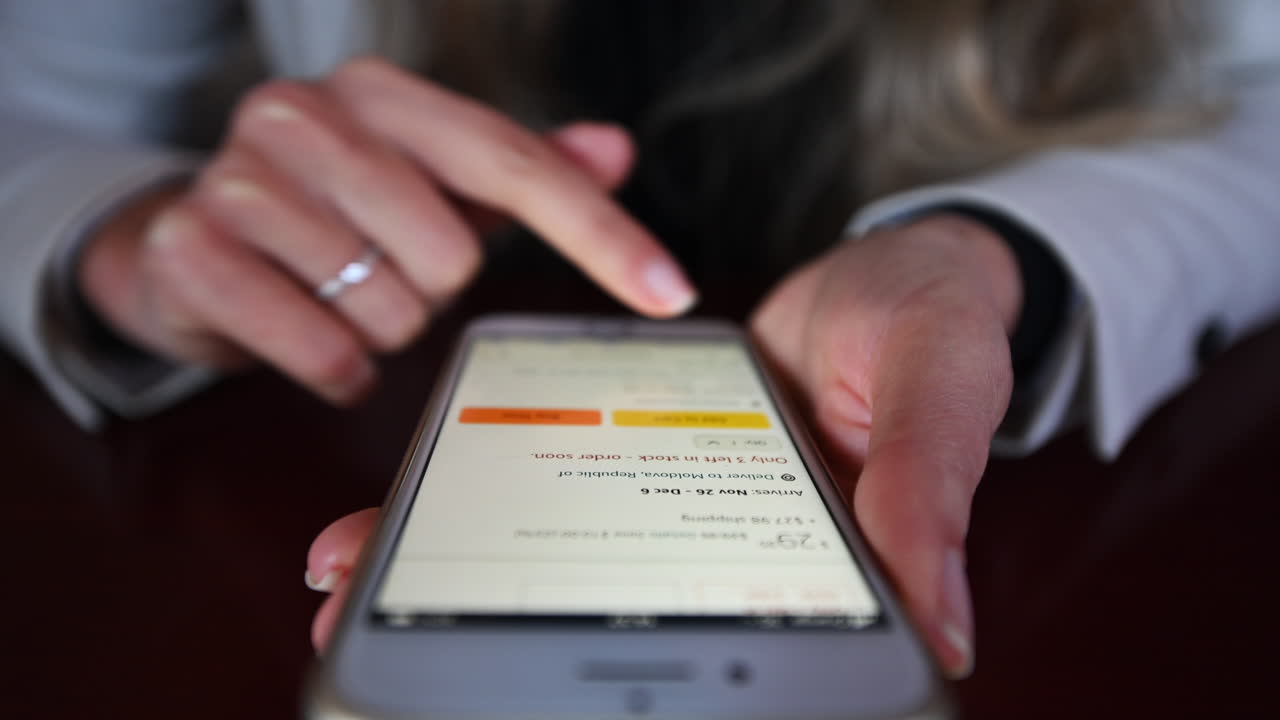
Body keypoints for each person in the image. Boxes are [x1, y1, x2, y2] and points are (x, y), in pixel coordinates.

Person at [2, 0, 1278, 679]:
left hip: (1062, 504)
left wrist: (992, 257)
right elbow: (32, 101)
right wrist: (125, 235)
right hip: (348, 383)